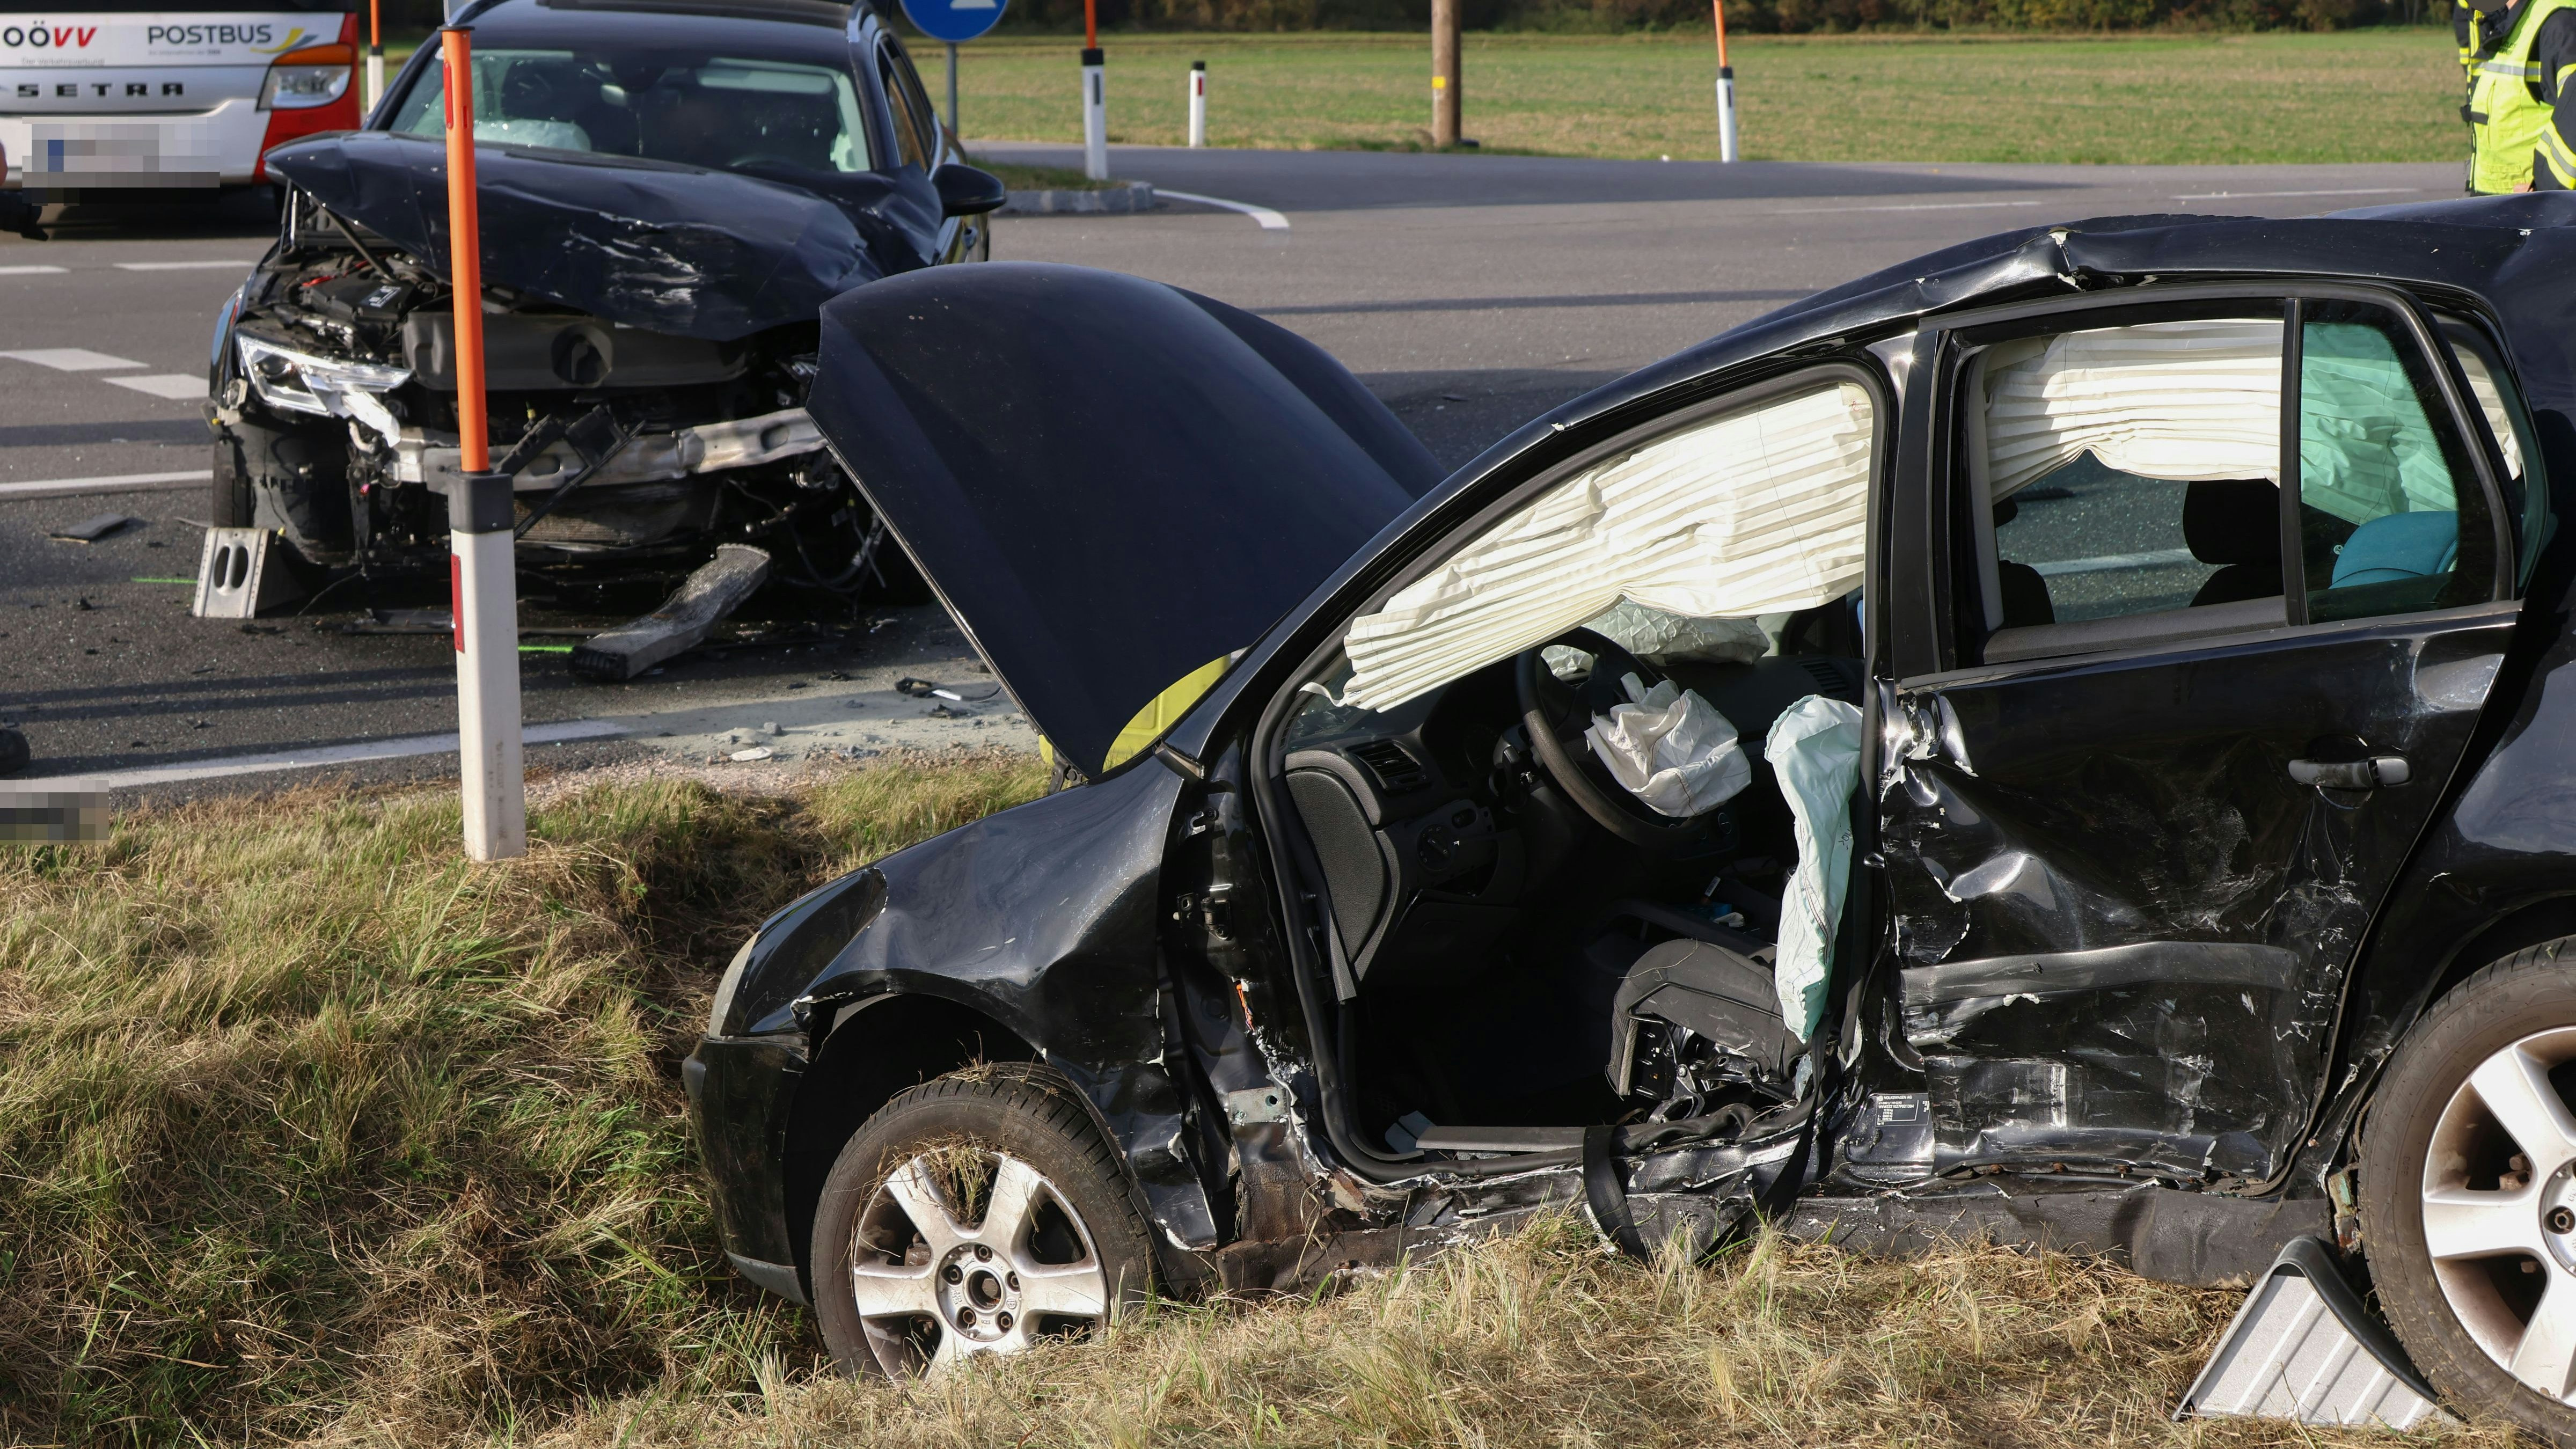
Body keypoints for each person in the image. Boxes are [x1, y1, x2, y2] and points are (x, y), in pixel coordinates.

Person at [2461, 0, 2576, 193]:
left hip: (2535, 207)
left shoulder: (2561, 23)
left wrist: (2545, 190)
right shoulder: (2507, 20)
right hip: (2498, 202)